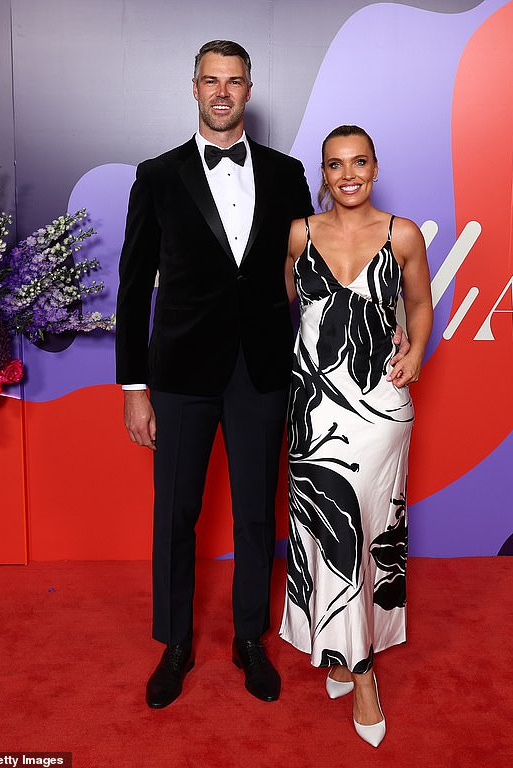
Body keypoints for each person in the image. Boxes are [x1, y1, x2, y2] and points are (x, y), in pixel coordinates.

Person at [115, 40, 315, 708]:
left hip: (261, 369)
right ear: (194, 89)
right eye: (211, 81)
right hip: (179, 373)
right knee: (175, 512)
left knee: (258, 513)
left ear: (249, 91)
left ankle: (249, 639)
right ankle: (175, 644)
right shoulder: (158, 175)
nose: (222, 92)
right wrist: (133, 388)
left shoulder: (288, 175)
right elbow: (133, 285)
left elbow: (309, 274)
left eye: (234, 81)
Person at [280, 125, 433, 747]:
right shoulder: (298, 234)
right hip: (315, 411)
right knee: (327, 534)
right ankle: (347, 657)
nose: (348, 174)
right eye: (335, 164)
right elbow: (287, 307)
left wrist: (416, 349)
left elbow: (418, 304)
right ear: (323, 172)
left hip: (381, 409)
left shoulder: (403, 235)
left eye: (359, 162)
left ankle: (360, 672)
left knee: (366, 530)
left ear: (374, 167)